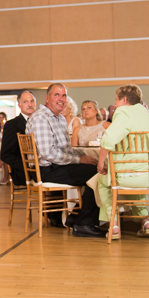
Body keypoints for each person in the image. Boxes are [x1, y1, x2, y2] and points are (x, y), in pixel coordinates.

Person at [95, 85, 149, 238]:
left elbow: (109, 139)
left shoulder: (124, 111)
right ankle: (146, 222)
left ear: (124, 99)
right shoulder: (144, 112)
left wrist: (101, 161)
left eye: (116, 99)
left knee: (103, 181)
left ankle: (114, 225)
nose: (115, 103)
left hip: (138, 175)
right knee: (133, 177)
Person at [26, 83, 102, 236]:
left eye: (64, 95)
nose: (61, 99)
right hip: (45, 170)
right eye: (57, 95)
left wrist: (82, 157)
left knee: (97, 168)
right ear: (47, 98)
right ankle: (83, 223)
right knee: (98, 172)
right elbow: (48, 153)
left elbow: (66, 149)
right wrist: (80, 161)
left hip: (56, 166)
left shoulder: (59, 119)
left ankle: (76, 218)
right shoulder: (41, 118)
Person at [0, 91, 37, 188]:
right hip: (24, 171)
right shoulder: (12, 125)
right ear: (19, 105)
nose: (30, 104)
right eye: (25, 102)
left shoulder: (41, 122)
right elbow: (5, 155)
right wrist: (28, 166)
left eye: (32, 101)